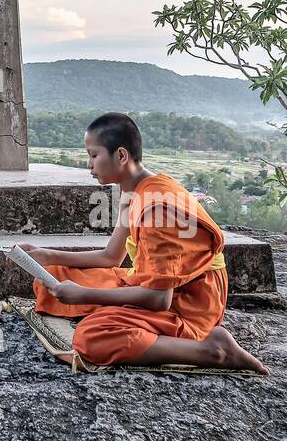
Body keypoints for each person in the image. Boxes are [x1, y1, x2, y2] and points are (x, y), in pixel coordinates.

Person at [20, 112, 268, 374]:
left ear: (121, 156)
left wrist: (83, 295)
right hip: (151, 282)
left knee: (91, 337)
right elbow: (110, 257)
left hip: (190, 302)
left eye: (94, 155)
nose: (89, 165)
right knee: (51, 278)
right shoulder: (132, 190)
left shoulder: (156, 210)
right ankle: (122, 318)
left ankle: (213, 350)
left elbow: (159, 299)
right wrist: (46, 255)